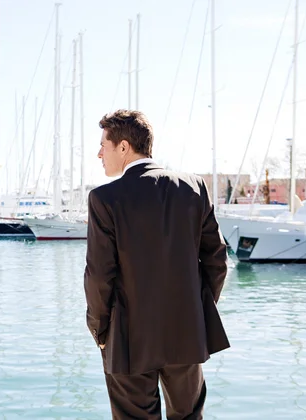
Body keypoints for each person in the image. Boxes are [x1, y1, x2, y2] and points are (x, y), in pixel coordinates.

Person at [84, 109, 229, 419]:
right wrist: (196, 311)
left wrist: (100, 330)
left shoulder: (105, 198)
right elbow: (217, 260)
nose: (99, 154)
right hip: (187, 332)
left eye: (103, 145)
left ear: (123, 147)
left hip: (128, 338)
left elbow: (100, 276)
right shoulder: (194, 187)